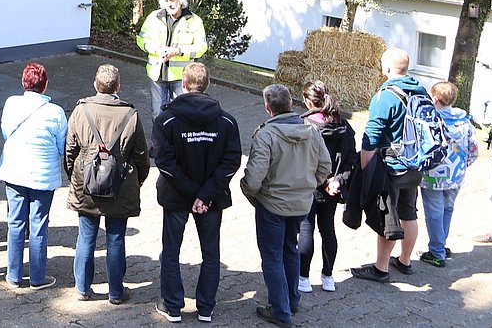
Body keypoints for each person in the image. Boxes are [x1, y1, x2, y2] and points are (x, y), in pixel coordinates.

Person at [152, 62, 241, 324]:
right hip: (210, 200)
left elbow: (164, 162)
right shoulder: (226, 121)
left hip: (177, 197)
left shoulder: (166, 119)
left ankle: (173, 307)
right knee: (210, 253)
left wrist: (194, 194)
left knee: (171, 251)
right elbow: (231, 160)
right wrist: (204, 194)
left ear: (183, 84)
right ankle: (205, 308)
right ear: (208, 84)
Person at [241, 84, 331, 328]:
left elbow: (254, 178)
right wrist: (308, 186)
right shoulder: (312, 131)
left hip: (272, 205)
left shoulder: (266, 135)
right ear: (291, 104)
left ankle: (281, 311)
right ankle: (292, 300)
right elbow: (325, 166)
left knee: (271, 257)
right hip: (301, 204)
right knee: (289, 250)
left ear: (268, 108)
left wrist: (252, 193)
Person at [64, 64, 150, 304]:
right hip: (120, 185)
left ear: (95, 84)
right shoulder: (131, 115)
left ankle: (82, 289)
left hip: (87, 185)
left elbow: (69, 151)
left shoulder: (81, 111)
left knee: (86, 238)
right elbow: (143, 157)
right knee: (115, 238)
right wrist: (136, 182)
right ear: (118, 87)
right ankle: (115, 292)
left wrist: (76, 177)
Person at [350, 47, 432, 283]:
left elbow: (371, 136)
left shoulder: (385, 96)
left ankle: (381, 268)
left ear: (386, 68)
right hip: (416, 164)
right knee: (409, 212)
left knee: (388, 217)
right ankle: (405, 261)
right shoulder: (421, 92)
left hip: (392, 166)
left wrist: (366, 167)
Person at [0, 63, 68, 290]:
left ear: (23, 82)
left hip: (14, 173)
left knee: (15, 223)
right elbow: (62, 147)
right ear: (45, 85)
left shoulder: (11, 104)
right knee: (39, 226)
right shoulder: (56, 112)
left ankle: (13, 275)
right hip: (43, 177)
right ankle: (38, 278)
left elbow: (6, 132)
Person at [297, 79, 358, 293]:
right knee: (328, 230)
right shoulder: (344, 126)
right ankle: (328, 276)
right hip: (333, 188)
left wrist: (323, 181)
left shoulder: (303, 125)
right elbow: (351, 159)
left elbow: (301, 160)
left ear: (307, 101)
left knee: (306, 230)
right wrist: (337, 181)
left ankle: (303, 278)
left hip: (309, 186)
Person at [418, 80, 479, 267]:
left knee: (434, 213)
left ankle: (437, 252)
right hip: (456, 176)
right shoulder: (465, 122)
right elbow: (473, 151)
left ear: (434, 98)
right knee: (447, 209)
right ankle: (441, 244)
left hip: (432, 175)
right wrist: (462, 167)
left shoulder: (431, 121)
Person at [137, 0, 208, 122]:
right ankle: (158, 143)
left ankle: (179, 143)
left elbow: (202, 47)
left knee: (181, 114)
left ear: (180, 1)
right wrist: (156, 49)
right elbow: (141, 39)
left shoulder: (194, 21)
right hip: (157, 74)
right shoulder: (154, 17)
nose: (169, 4)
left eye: (172, 0)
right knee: (157, 114)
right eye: (166, 0)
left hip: (181, 77)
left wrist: (179, 51)